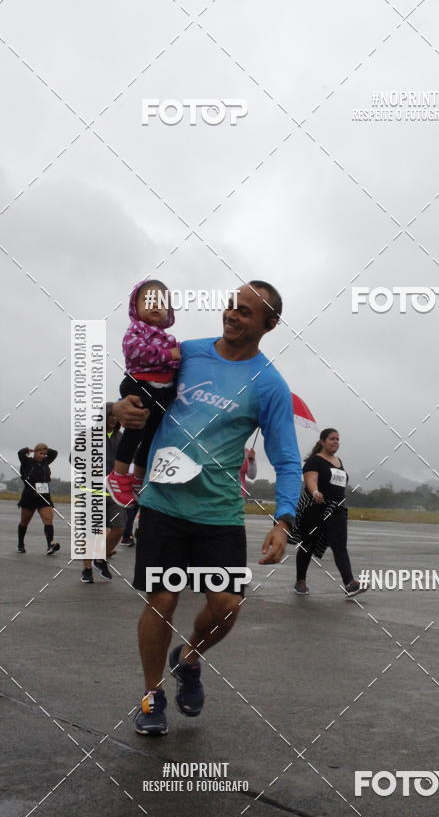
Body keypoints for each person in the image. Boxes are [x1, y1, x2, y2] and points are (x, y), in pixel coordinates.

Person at [112, 281, 301, 736]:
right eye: (231, 306)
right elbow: (141, 389)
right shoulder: (187, 353)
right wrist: (119, 409)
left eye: (246, 313)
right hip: (162, 500)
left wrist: (284, 518)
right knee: (162, 600)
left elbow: (288, 457)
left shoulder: (269, 385)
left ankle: (190, 657)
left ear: (270, 325)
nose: (232, 316)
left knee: (227, 604)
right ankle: (151, 695)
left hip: (218, 510)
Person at [106, 280, 180, 507]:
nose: (155, 306)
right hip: (140, 384)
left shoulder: (170, 339)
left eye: (161, 303)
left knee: (152, 437)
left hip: (162, 390)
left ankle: (138, 479)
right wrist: (170, 356)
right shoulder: (136, 330)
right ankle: (118, 475)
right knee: (135, 430)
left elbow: (176, 367)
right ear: (135, 306)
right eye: (149, 301)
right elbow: (136, 353)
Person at [291, 428, 363, 598]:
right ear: (322, 441)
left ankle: (349, 583)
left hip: (336, 509)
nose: (336, 442)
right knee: (308, 545)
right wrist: (315, 492)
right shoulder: (314, 461)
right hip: (315, 509)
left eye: (338, 439)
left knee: (340, 546)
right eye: (332, 439)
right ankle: (300, 581)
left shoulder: (339, 461)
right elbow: (311, 480)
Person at [80, 403, 125, 582]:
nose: (113, 419)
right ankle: (86, 569)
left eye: (116, 416)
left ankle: (100, 557)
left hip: (113, 491)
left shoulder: (121, 437)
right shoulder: (89, 435)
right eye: (110, 415)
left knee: (119, 528)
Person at [17, 443, 60, 555]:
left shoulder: (46, 461)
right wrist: (29, 449)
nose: (42, 456)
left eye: (44, 454)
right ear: (35, 452)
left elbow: (54, 453)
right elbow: (20, 453)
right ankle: (20, 544)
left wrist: (45, 450)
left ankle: (50, 545)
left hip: (44, 495)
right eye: (40, 453)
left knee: (48, 519)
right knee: (24, 522)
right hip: (29, 495)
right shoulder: (27, 462)